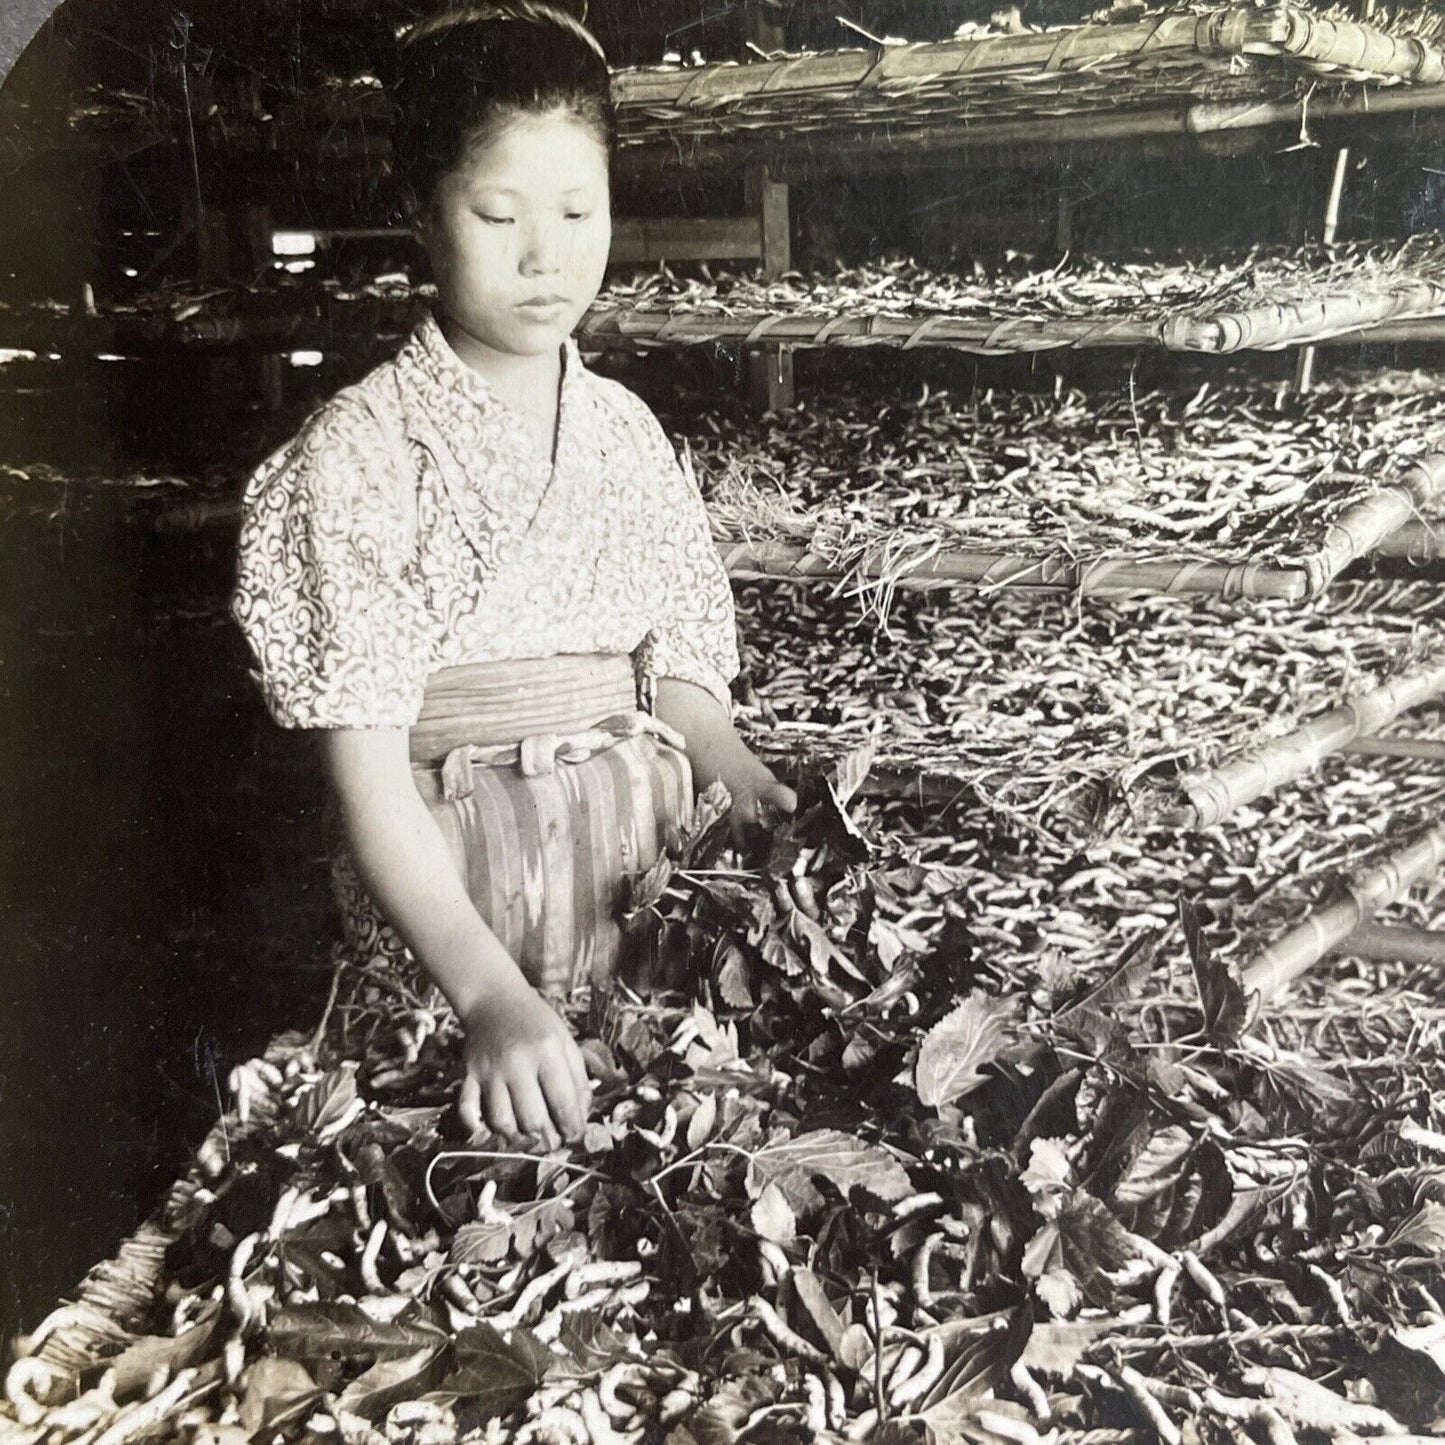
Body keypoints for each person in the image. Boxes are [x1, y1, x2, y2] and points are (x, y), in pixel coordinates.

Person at [231, 1, 794, 1152]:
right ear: (417, 216)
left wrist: (745, 781)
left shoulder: (624, 431)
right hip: (453, 948)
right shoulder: (357, 454)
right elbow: (370, 775)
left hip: (643, 928)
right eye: (499, 213)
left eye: (578, 211)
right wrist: (486, 998)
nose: (547, 255)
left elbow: (678, 675)